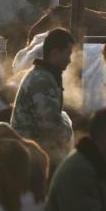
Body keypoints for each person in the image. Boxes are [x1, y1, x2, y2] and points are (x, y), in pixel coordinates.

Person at [11, 28, 75, 168]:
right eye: (68, 54)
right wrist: (69, 130)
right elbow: (50, 125)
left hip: (33, 149)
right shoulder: (42, 80)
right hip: (31, 155)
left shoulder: (45, 76)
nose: (70, 60)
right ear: (55, 53)